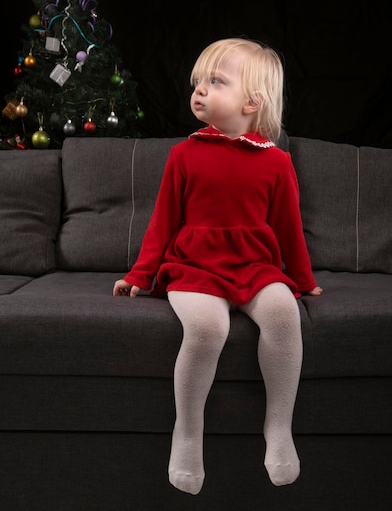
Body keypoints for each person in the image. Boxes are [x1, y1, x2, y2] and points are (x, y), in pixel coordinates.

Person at [113, 37, 323, 495]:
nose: (200, 90)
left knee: (285, 314)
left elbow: (289, 230)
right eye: (197, 82)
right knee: (208, 329)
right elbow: (163, 222)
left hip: (254, 266)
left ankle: (279, 427)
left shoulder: (277, 162)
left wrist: (303, 282)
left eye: (215, 81)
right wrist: (139, 274)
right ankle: (187, 433)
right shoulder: (184, 154)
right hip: (195, 267)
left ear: (252, 101)